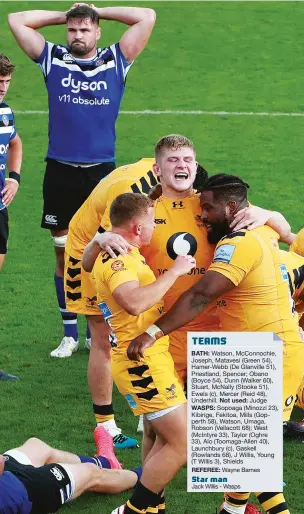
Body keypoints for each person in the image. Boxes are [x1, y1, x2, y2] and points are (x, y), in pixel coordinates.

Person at [81, 135, 292, 437]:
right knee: (158, 429)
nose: (182, 165)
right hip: (168, 330)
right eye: (173, 160)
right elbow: (90, 261)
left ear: (195, 165)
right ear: (158, 170)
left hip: (219, 326)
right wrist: (99, 239)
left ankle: (244, 483)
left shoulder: (211, 204)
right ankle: (154, 482)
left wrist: (269, 214)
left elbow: (287, 235)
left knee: (228, 426)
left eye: (188, 160)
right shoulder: (146, 210)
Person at [127, 174, 304, 514]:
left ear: (231, 207)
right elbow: (280, 227)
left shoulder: (236, 244)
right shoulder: (258, 230)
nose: (202, 215)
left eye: (207, 208)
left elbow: (200, 296)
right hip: (247, 353)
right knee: (239, 453)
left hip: (273, 354)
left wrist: (153, 332)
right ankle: (232, 510)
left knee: (252, 455)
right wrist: (266, 214)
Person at [8, 3, 156, 353]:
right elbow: (16, 20)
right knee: (63, 255)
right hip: (60, 169)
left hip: (102, 174)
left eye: (85, 29)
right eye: (72, 30)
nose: (77, 35)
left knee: (107, 251)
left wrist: (95, 10)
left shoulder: (116, 59)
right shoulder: (53, 58)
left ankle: (97, 331)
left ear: (98, 31)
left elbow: (147, 15)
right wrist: (68, 15)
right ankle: (70, 333)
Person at [91, 192, 195, 514]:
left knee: (160, 436)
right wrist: (175, 272)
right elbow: (133, 301)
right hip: (142, 363)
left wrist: (100, 239)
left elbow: (84, 261)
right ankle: (133, 510)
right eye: (151, 221)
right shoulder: (120, 260)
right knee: (184, 443)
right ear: (137, 227)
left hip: (145, 359)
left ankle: (154, 507)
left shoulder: (113, 250)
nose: (155, 227)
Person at [0, 427, 142, 514]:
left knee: (36, 445)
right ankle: (143, 476)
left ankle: (106, 462)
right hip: (22, 492)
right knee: (90, 473)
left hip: (8, 479)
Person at [0, 53, 23, 381]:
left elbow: (15, 143)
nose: (2, 88)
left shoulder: (4, 113)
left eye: (5, 82)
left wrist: (14, 178)